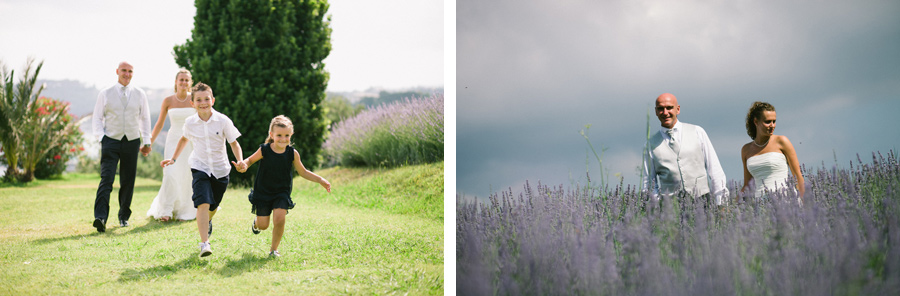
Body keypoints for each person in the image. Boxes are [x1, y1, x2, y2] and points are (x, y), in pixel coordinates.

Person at [160, 82, 245, 258]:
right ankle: (204, 243)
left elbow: (234, 143)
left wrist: (240, 161)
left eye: (206, 99)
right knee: (203, 203)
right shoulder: (190, 122)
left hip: (221, 170)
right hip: (200, 167)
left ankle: (209, 219)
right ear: (193, 103)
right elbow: (184, 140)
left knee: (213, 205)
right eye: (198, 100)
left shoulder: (223, 120)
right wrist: (173, 158)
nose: (203, 102)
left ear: (212, 100)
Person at [235, 115, 331, 257]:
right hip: (263, 191)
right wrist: (243, 164)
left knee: (280, 219)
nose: (283, 139)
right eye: (279, 135)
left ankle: (273, 250)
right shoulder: (264, 150)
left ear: (291, 135)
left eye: (286, 135)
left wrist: (321, 180)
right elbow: (249, 161)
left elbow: (303, 172)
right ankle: (256, 223)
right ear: (271, 135)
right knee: (263, 225)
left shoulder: (292, 153)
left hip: (282, 192)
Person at [91, 61, 152, 233]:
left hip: (132, 141)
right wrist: (101, 138)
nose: (127, 74)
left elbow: (145, 119)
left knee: (128, 180)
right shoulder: (105, 93)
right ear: (117, 71)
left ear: (133, 73)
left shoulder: (140, 94)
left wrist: (146, 141)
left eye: (130, 71)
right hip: (110, 140)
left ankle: (123, 216)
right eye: (124, 70)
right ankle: (100, 217)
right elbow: (97, 118)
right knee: (106, 179)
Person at [642, 93, 729, 205]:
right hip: (670, 209)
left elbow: (715, 169)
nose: (665, 112)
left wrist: (721, 203)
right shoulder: (650, 145)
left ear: (677, 109)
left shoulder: (698, 132)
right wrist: (658, 208)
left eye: (669, 108)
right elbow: (648, 182)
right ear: (656, 112)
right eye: (660, 109)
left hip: (702, 203)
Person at [146, 69, 197, 222]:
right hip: (173, 139)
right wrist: (149, 143)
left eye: (187, 80)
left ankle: (185, 211)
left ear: (190, 83)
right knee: (170, 173)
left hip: (190, 141)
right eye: (181, 80)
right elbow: (160, 124)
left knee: (187, 174)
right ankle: (166, 210)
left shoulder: (194, 99)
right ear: (176, 82)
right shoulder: (168, 100)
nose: (184, 83)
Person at [740, 101, 805, 202]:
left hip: (785, 201)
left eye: (774, 121)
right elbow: (747, 185)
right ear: (756, 122)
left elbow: (798, 177)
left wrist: (807, 207)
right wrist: (729, 208)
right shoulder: (746, 150)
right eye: (768, 122)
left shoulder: (782, 141)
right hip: (761, 206)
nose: (772, 125)